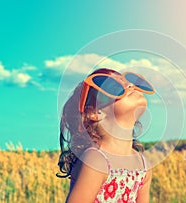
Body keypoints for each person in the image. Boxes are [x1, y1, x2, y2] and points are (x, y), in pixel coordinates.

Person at [56, 68, 154, 203]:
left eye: (129, 81)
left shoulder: (143, 166)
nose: (130, 85)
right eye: (115, 87)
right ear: (94, 112)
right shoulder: (96, 161)